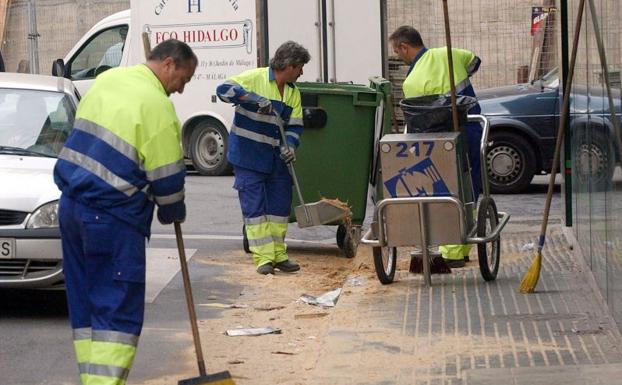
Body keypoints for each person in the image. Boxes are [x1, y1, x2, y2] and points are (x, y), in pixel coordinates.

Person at [54, 39, 197, 385]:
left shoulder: (108, 80)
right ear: (169, 65)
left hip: (71, 207)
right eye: (183, 80)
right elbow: (167, 178)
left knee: (87, 304)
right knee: (116, 308)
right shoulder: (157, 106)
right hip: (111, 218)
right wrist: (173, 211)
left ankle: (92, 379)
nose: (180, 90)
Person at [389, 25, 482, 268]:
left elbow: (418, 121)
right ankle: (463, 247)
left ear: (404, 47)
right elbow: (475, 62)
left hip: (438, 142)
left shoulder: (412, 82)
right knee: (469, 187)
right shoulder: (452, 54)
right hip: (469, 130)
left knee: (444, 188)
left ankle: (451, 250)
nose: (399, 57)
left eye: (397, 52)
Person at [216, 41, 310, 275]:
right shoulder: (255, 78)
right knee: (255, 209)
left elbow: (295, 127)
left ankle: (279, 255)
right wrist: (252, 98)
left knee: (279, 208)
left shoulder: (292, 93)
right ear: (289, 65)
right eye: (300, 67)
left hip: (276, 159)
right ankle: (263, 258)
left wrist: (290, 146)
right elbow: (223, 90)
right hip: (249, 157)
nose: (301, 72)